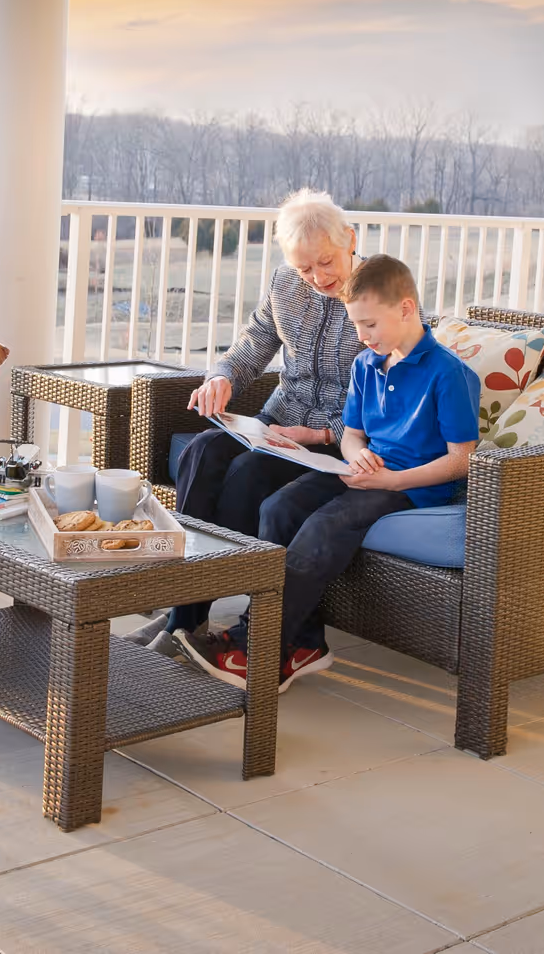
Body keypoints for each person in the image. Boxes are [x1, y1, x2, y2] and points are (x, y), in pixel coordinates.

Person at [176, 253, 479, 691]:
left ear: (407, 309)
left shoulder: (449, 374)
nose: (362, 336)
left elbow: (462, 459)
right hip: (363, 469)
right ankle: (304, 644)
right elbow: (352, 435)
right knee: (278, 507)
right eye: (356, 325)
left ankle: (253, 647)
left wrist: (390, 479)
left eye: (370, 324)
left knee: (322, 526)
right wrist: (355, 455)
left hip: (412, 485)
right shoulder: (366, 364)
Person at [123, 189, 363, 654]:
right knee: (201, 450)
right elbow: (254, 344)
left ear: (350, 239)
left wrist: (322, 433)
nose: (317, 277)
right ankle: (184, 615)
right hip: (277, 420)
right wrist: (222, 377)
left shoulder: (378, 294)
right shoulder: (285, 285)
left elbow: (386, 395)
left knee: (250, 474)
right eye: (304, 268)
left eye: (326, 262)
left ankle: (183, 616)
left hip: (333, 438)